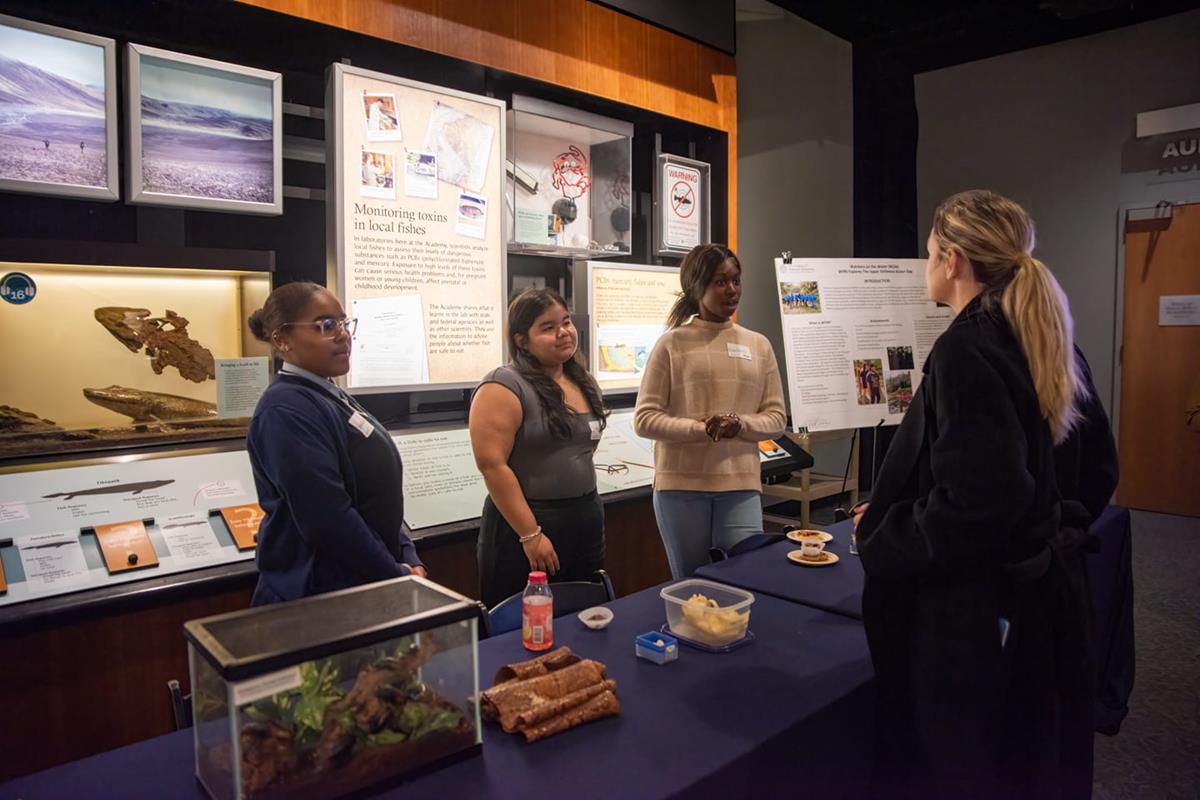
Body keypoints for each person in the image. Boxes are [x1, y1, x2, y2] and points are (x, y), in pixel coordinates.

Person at [853, 190, 1101, 799]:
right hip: (1034, 602)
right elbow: (1092, 472)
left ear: (954, 260)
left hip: (973, 615)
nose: (926, 265)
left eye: (930, 253)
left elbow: (980, 502)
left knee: (961, 764)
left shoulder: (967, 349)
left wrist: (885, 533)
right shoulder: (1043, 338)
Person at [246, 282, 424, 605]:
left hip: (362, 583)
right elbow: (328, 519)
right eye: (325, 326)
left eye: (343, 323)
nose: (343, 335)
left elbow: (372, 498)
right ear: (282, 339)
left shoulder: (329, 394)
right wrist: (395, 574)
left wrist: (408, 555)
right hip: (319, 598)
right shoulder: (284, 410)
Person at [634, 243, 786, 579]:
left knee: (745, 578)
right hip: (680, 488)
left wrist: (738, 424)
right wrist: (700, 429)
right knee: (691, 584)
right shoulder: (670, 344)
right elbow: (644, 419)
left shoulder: (758, 345)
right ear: (696, 286)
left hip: (741, 486)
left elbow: (776, 418)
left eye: (736, 281)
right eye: (720, 282)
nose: (732, 290)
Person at [469, 288, 609, 608]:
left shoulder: (581, 379)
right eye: (548, 327)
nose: (564, 333)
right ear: (522, 340)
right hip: (528, 525)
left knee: (582, 614)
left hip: (585, 517)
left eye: (566, 322)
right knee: (522, 625)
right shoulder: (503, 384)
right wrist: (531, 535)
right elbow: (492, 465)